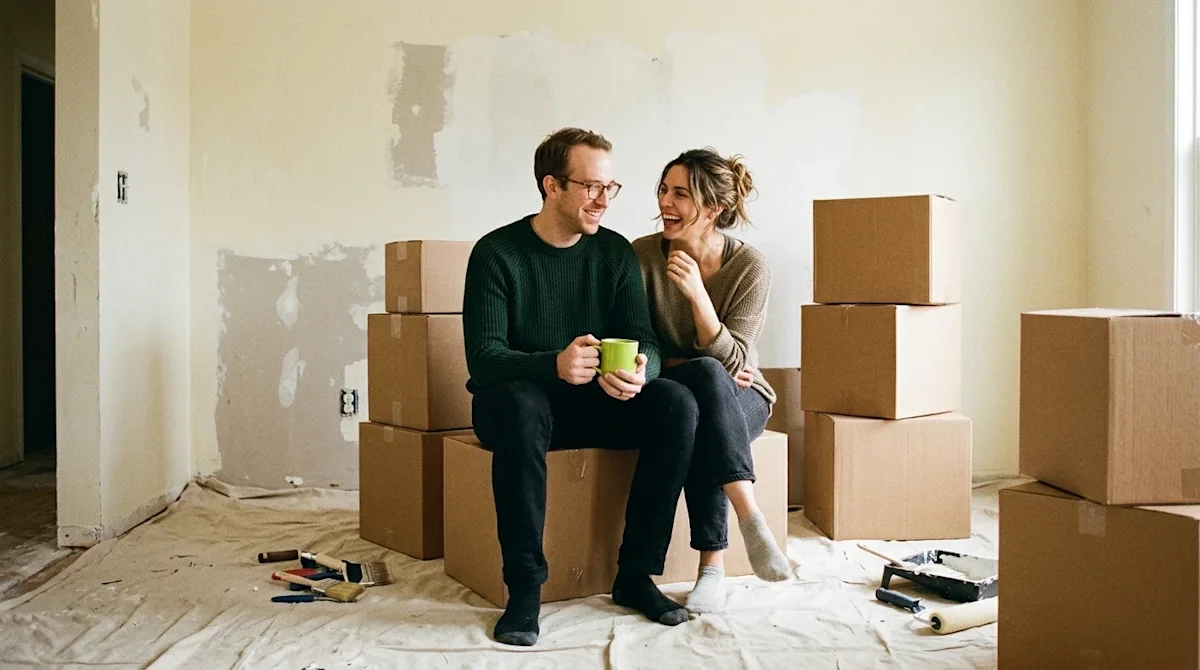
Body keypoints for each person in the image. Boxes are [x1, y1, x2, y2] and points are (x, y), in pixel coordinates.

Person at [462, 128, 699, 647]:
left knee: (676, 402)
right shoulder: (496, 253)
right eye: (591, 187)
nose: (603, 200)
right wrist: (553, 364)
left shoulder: (613, 253)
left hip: (592, 404)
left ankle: (636, 575)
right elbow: (483, 359)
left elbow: (647, 341)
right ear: (552, 186)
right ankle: (525, 588)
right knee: (522, 403)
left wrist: (640, 370)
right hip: (514, 408)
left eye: (610, 188)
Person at [631, 148, 792, 614]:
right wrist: (699, 361)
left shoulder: (750, 267)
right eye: (664, 190)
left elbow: (738, 362)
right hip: (680, 390)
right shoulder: (642, 256)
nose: (666, 202)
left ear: (714, 208)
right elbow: (642, 343)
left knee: (705, 389)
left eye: (681, 194)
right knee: (702, 382)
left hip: (745, 395)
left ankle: (713, 568)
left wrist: (699, 298)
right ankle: (748, 518)